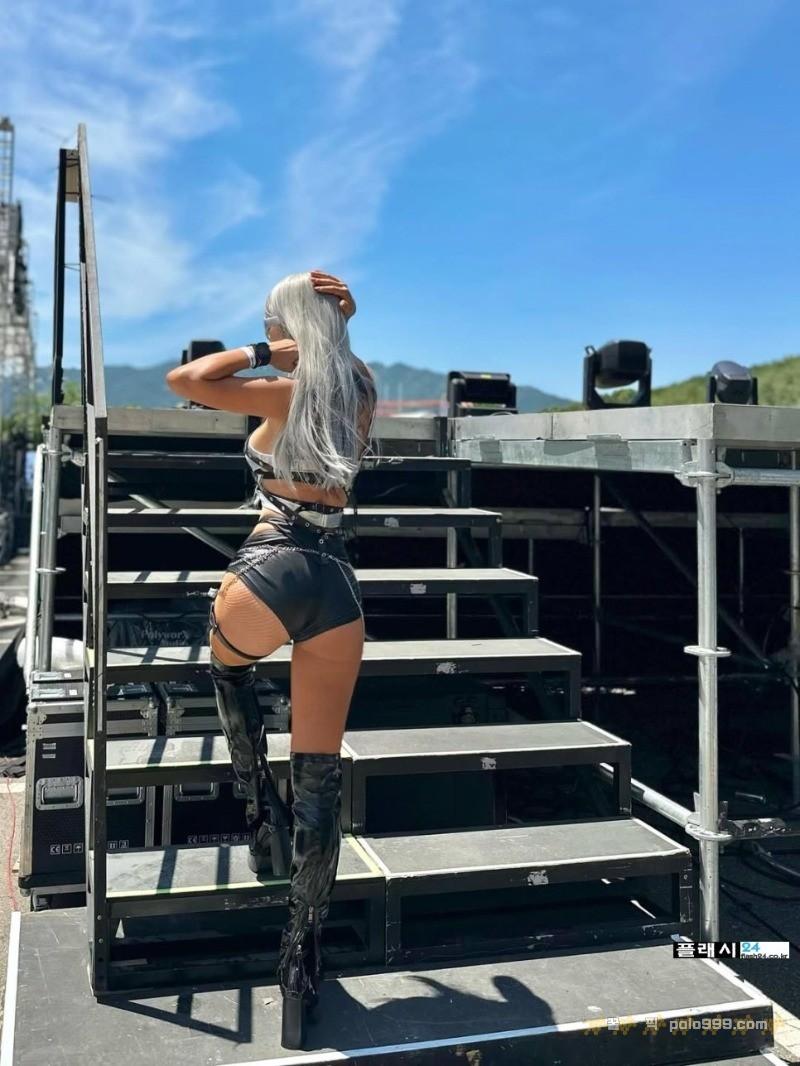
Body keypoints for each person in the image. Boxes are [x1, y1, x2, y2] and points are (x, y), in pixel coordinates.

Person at [165, 269, 378, 1049]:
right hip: (337, 585)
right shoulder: (358, 390)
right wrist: (337, 324)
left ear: (288, 327)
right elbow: (339, 362)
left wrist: (264, 350)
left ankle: (259, 816)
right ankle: (301, 960)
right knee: (320, 774)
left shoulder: (281, 393)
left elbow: (187, 380)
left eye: (271, 321)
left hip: (270, 567)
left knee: (227, 669)